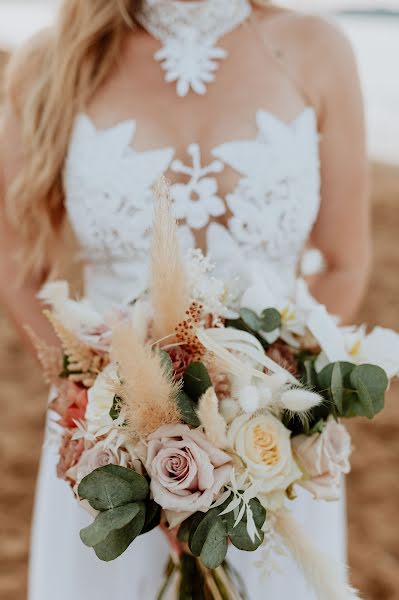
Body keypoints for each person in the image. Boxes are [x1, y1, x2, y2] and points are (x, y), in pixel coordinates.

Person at [0, 1, 370, 598]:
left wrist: (264, 403)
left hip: (270, 452)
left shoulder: (315, 49)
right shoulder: (55, 59)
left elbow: (346, 262)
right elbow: (17, 267)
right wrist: (102, 406)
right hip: (107, 455)